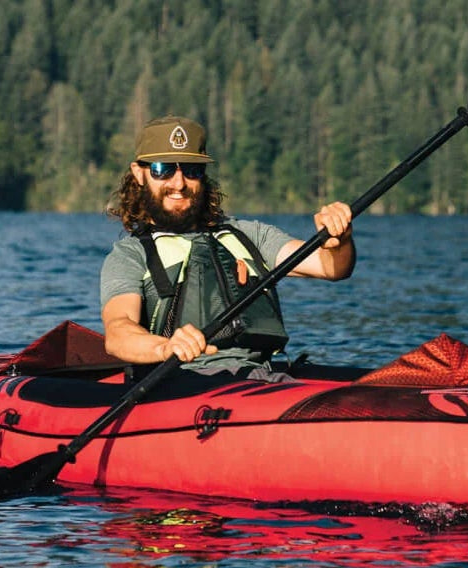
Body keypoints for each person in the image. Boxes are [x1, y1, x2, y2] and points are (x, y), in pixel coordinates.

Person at [100, 115, 354, 377]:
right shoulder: (130, 255)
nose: (179, 183)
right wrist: (165, 347)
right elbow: (118, 332)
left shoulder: (248, 235)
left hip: (258, 377)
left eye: (191, 169)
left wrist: (340, 240)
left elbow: (331, 268)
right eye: (163, 169)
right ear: (139, 173)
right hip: (180, 383)